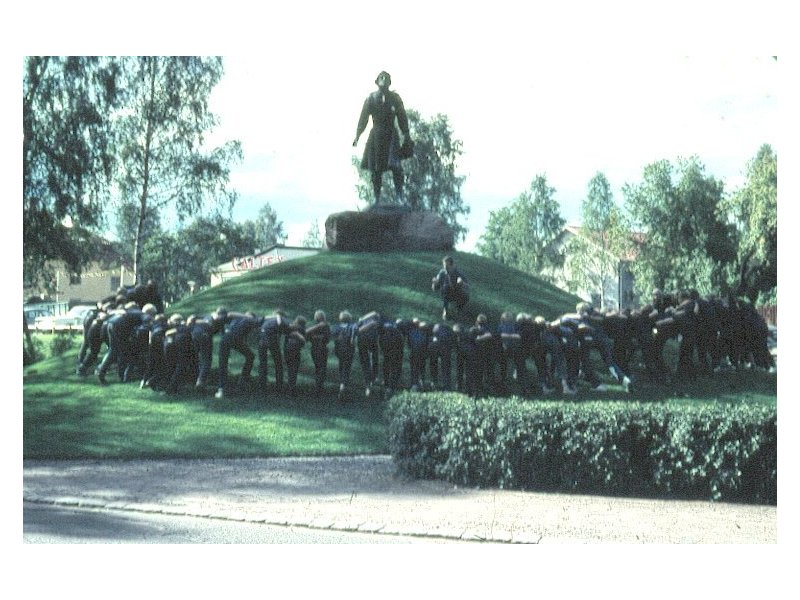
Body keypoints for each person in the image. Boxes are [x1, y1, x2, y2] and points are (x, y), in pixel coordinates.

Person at [353, 71, 413, 203]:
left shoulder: (395, 98)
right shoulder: (371, 98)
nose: (384, 80)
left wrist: (406, 134)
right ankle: (376, 198)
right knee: (376, 169)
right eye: (381, 78)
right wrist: (357, 135)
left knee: (396, 167)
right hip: (377, 136)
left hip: (391, 135)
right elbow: (363, 119)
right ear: (377, 81)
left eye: (386, 78)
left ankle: (399, 196)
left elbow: (402, 117)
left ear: (390, 82)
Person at [215, 311, 261, 400]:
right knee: (224, 364)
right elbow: (229, 314)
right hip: (230, 338)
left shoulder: (243, 320)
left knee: (250, 356)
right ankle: (224, 388)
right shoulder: (245, 319)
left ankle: (241, 381)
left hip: (230, 339)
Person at [258, 309, 290, 393]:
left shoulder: (268, 319)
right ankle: (279, 387)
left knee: (262, 363)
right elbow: (286, 328)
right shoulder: (282, 320)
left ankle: (262, 386)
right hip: (271, 339)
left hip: (262, 339)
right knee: (278, 363)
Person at [432, 255, 469, 320]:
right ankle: (445, 310)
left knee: (466, 296)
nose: (445, 268)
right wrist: (435, 283)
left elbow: (467, 286)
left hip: (457, 292)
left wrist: (462, 283)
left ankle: (459, 310)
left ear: (452, 265)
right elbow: (435, 289)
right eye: (444, 266)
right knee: (446, 287)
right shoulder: (442, 273)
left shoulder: (458, 273)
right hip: (446, 293)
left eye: (447, 266)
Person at [305, 310, 332, 397]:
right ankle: (319, 387)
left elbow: (307, 335)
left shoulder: (313, 325)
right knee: (322, 368)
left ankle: (318, 386)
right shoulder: (324, 325)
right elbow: (327, 338)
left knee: (318, 367)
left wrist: (314, 337)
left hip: (315, 348)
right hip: (321, 349)